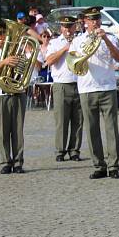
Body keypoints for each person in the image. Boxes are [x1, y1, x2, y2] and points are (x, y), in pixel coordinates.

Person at [72, 6, 119, 179]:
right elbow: (73, 62)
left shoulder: (111, 37)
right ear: (85, 21)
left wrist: (106, 41)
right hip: (87, 88)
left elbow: (118, 58)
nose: (95, 22)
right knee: (92, 128)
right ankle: (99, 165)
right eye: (91, 19)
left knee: (111, 129)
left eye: (97, 19)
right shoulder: (78, 41)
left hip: (107, 87)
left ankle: (114, 165)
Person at [0, 22, 34, 174]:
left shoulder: (17, 50)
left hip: (17, 93)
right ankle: (6, 162)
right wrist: (4, 62)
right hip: (0, 95)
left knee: (18, 130)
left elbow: (29, 66)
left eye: (2, 34)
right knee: (3, 131)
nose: (0, 38)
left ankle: (18, 162)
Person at [41, 16, 83, 162]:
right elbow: (49, 61)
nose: (67, 29)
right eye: (65, 26)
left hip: (79, 83)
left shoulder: (80, 41)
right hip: (61, 84)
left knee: (78, 120)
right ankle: (60, 150)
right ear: (61, 29)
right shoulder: (54, 43)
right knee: (61, 120)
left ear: (74, 28)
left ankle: (74, 150)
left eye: (70, 26)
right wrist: (65, 48)